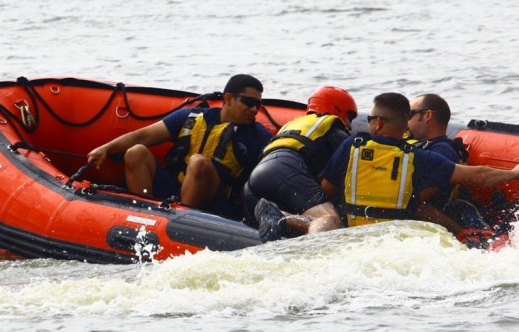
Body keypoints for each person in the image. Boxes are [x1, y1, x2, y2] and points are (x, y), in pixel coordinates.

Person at [319, 92, 519, 244]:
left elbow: (327, 190)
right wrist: (515, 172)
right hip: (395, 238)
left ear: (378, 123)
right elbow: (479, 175)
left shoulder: (352, 146)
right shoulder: (418, 157)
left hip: (354, 236)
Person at [85, 74, 271, 220]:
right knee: (136, 151)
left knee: (198, 162)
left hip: (214, 201)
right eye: (249, 103)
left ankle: (180, 220)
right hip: (173, 190)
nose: (254, 110)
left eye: (258, 105)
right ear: (228, 98)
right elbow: (143, 136)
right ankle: (142, 213)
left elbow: (276, 168)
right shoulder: (190, 117)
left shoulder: (258, 136)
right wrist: (106, 148)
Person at [244, 86, 357, 241]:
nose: (350, 126)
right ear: (338, 109)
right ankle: (315, 257)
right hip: (286, 170)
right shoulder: (334, 131)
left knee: (315, 219)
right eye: (349, 117)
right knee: (330, 218)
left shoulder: (294, 125)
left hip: (254, 183)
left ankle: (281, 217)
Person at [405, 93, 490, 235]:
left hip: (425, 227)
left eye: (409, 115)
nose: (404, 122)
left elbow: (417, 205)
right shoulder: (409, 145)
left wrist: (459, 232)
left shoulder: (442, 151)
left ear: (427, 116)